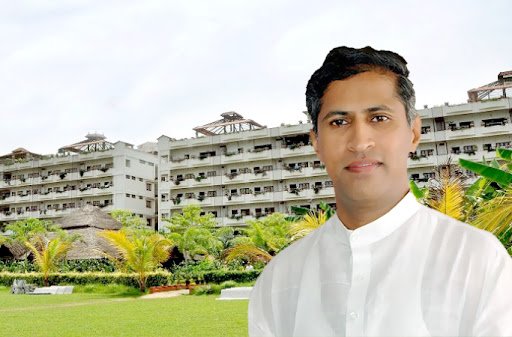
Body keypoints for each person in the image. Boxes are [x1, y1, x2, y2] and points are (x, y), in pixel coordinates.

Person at [248, 46, 512, 337]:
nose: (360, 142)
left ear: (413, 133)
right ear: (317, 143)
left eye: (378, 118)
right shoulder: (281, 279)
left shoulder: (475, 259)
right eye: (339, 122)